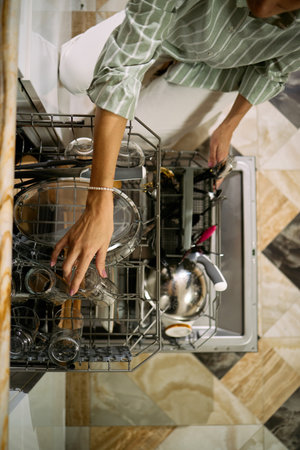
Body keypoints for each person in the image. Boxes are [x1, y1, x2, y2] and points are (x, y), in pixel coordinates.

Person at [51, 0, 300, 294]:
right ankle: (135, 20)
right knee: (73, 71)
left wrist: (229, 124)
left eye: (285, 4)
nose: (267, 7)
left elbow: (273, 69)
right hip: (168, 24)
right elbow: (122, 72)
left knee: (123, 143)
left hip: (221, 70)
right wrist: (98, 200)